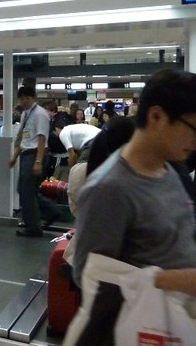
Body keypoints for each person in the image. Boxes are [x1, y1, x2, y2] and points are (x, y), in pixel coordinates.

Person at [71, 69, 196, 288]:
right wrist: (176, 281)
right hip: (148, 319)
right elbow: (89, 277)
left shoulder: (171, 168)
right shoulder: (110, 188)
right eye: (193, 129)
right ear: (156, 117)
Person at [8, 86, 60, 237]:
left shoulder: (40, 114)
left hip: (36, 154)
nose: (24, 101)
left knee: (27, 193)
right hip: (27, 154)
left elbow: (42, 138)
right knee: (25, 190)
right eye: (22, 98)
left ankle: (34, 228)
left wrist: (38, 161)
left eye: (27, 98)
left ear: (33, 98)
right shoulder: (26, 114)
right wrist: (15, 156)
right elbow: (25, 138)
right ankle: (52, 211)